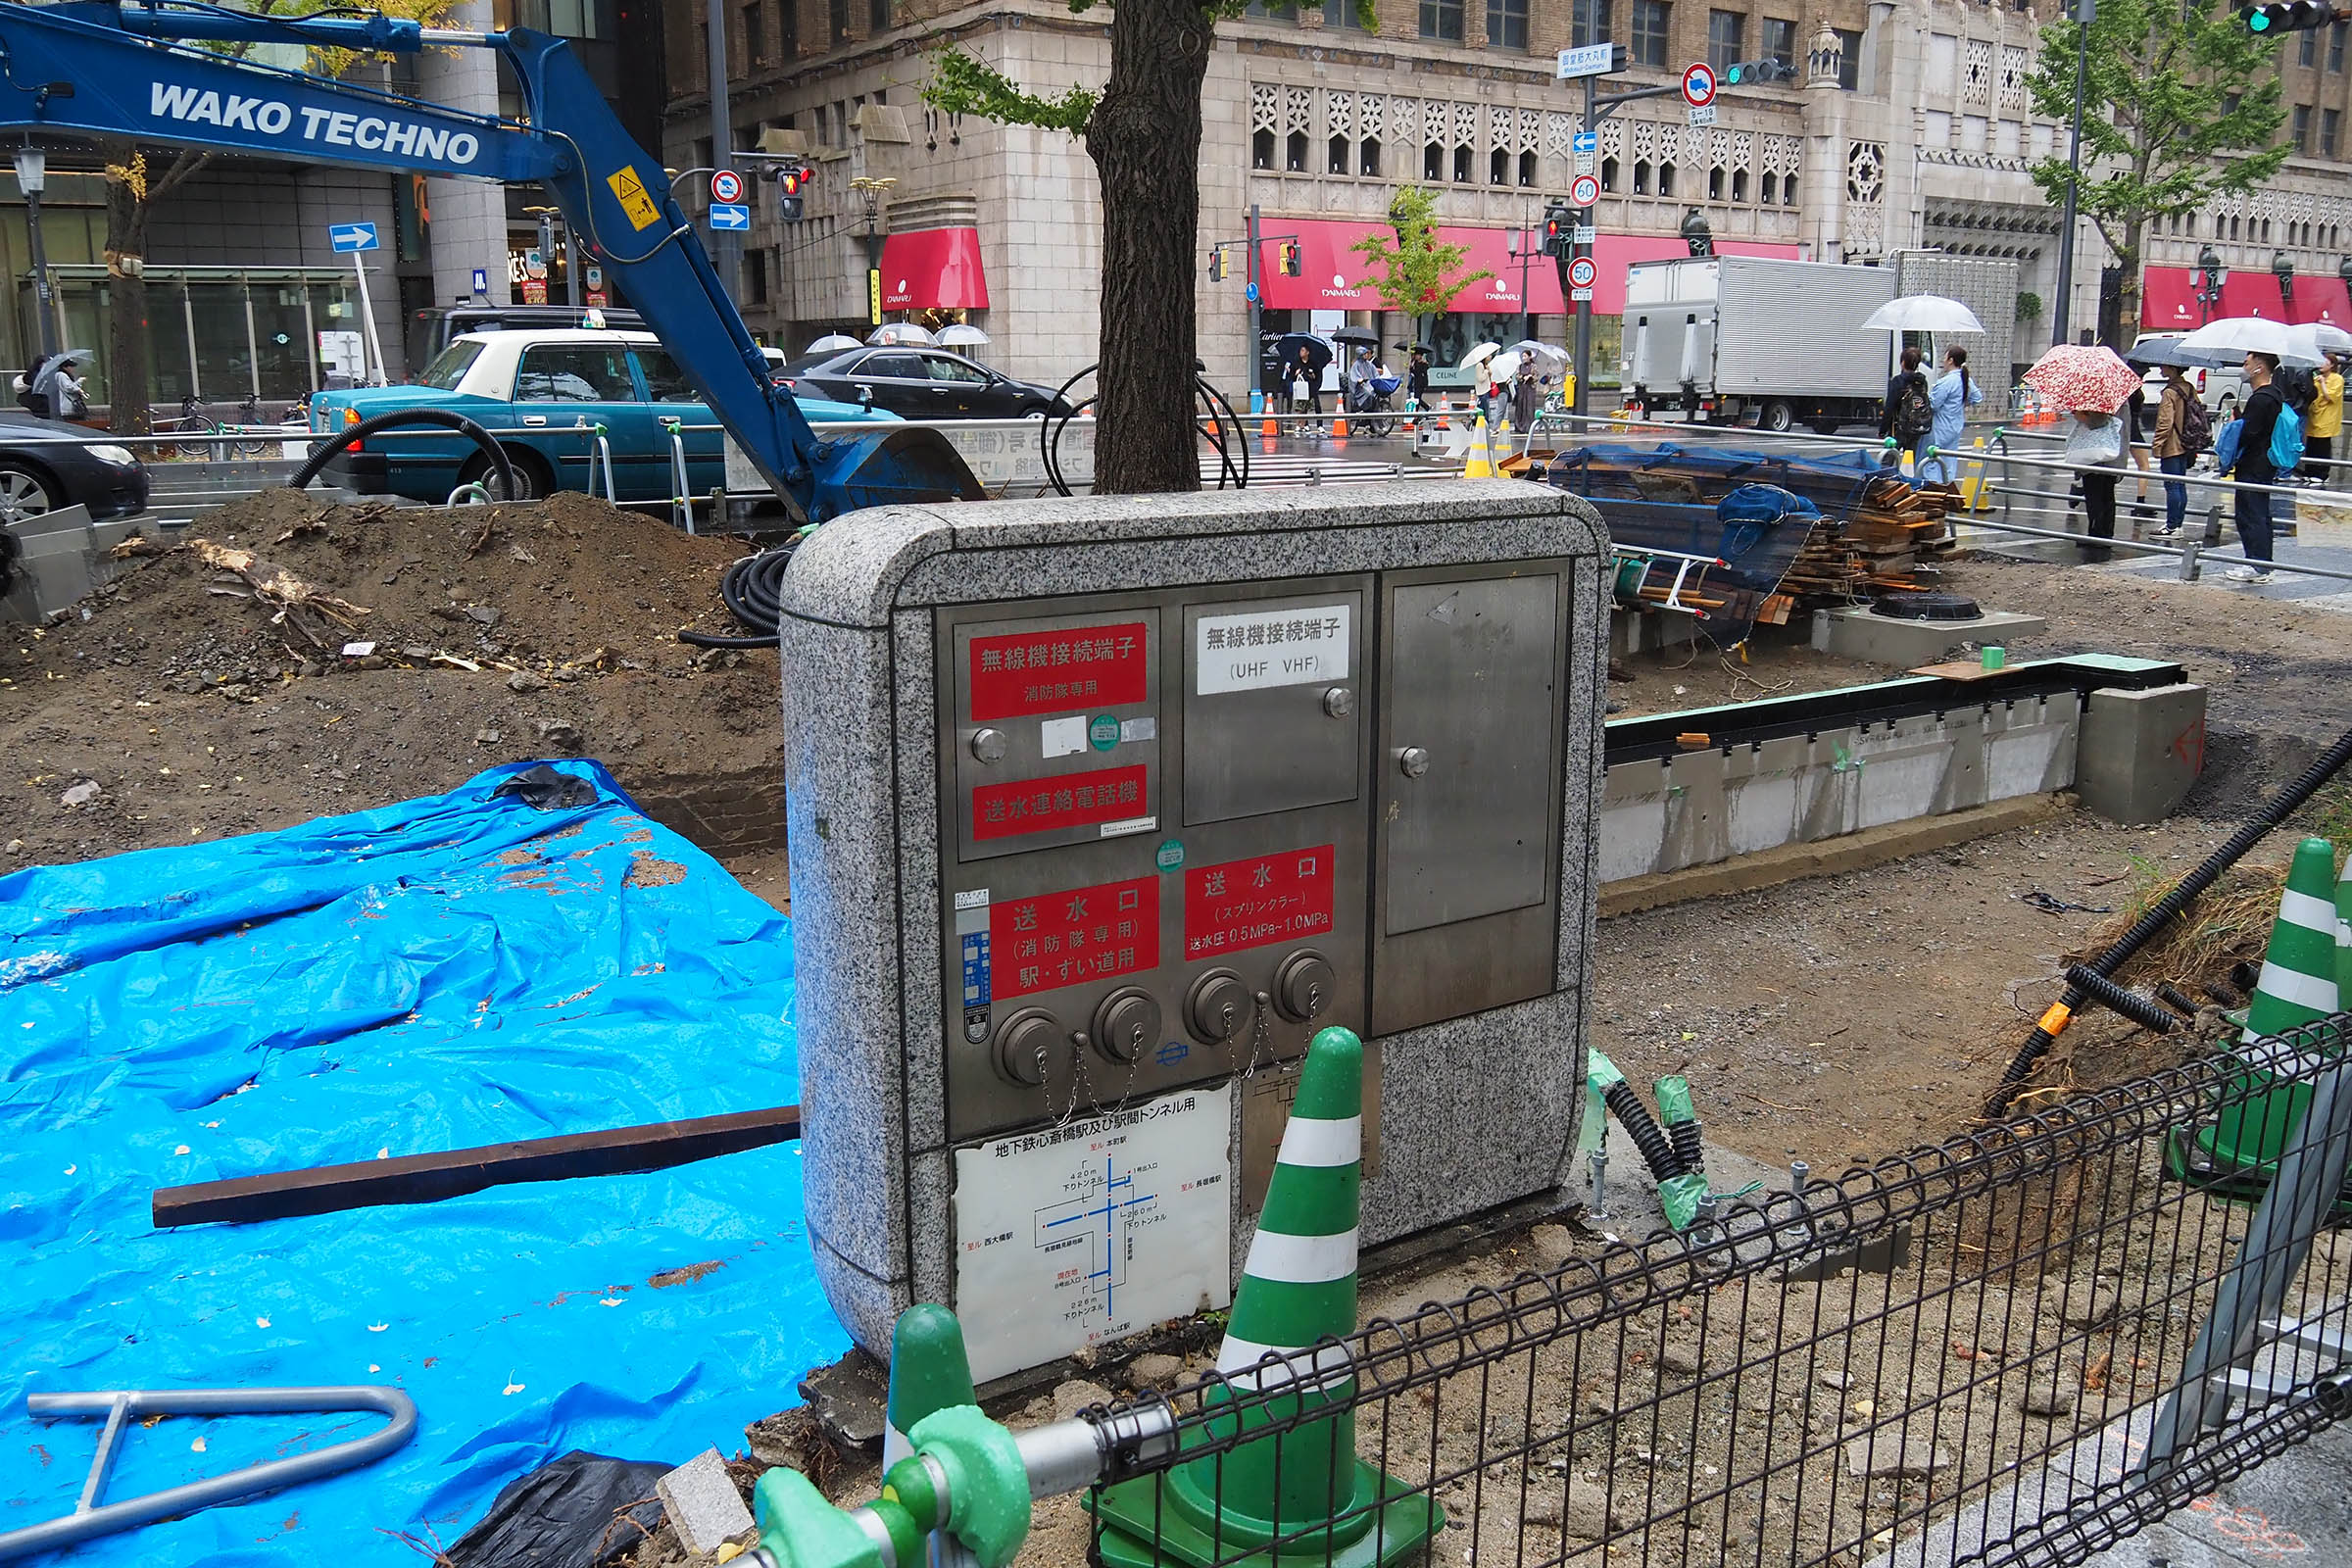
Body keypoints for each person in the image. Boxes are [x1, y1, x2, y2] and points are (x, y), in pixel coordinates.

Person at [2223, 349, 2284, 581]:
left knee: (2251, 513)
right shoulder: (2275, 394)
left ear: (2259, 366)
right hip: (2265, 462)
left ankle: (2257, 565)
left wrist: (2235, 424)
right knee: (2259, 512)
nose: (2244, 367)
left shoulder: (2261, 399)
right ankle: (2261, 563)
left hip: (2253, 463)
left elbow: (2249, 433)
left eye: (2247, 363)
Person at [2065, 403, 2128, 564]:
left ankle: (2098, 535)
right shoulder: (2115, 398)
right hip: (2108, 459)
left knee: (2096, 498)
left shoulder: (2099, 402)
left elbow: (2098, 422)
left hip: (2097, 460)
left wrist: (2082, 415)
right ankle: (2104, 534)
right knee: (2106, 497)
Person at [1920, 345, 1983, 483]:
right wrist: (1962, 403)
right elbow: (1977, 398)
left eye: (1945, 357)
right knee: (1948, 460)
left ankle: (1932, 488)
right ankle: (1946, 486)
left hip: (1939, 426)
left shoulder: (1946, 382)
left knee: (1930, 460)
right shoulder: (1966, 380)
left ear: (1951, 360)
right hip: (1955, 426)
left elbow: (1934, 405)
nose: (1943, 361)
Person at [2151, 363, 2198, 539]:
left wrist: (2157, 445)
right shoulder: (2189, 388)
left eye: (2163, 367)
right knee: (2180, 484)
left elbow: (2165, 422)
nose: (2160, 369)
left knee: (2171, 485)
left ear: (2172, 369)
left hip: (2172, 444)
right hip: (2187, 442)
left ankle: (2171, 526)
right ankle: (2178, 524)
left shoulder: (2170, 392)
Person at [1882, 345, 1931, 466]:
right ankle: (1909, 481)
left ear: (1902, 362)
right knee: (1910, 460)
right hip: (1916, 426)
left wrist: (1882, 430)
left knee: (1888, 458)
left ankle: (1884, 481)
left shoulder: (1898, 381)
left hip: (1899, 427)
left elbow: (1890, 406)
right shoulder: (1922, 381)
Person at [2308, 349, 2344, 466]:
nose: (2321, 365)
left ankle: (2322, 474)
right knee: (2311, 445)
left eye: (2325, 363)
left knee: (2322, 446)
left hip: (2327, 418)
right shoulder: (2316, 378)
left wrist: (2323, 383)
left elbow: (2330, 396)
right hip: (2314, 416)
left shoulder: (2337, 379)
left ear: (2332, 365)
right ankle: (2309, 472)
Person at [1288, 344, 1322, 435]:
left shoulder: (1313, 364)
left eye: (1303, 351)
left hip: (1311, 388)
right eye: (1300, 351)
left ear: (1308, 352)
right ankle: (1303, 425)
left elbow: (1318, 375)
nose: (1301, 352)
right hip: (1301, 388)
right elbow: (1291, 376)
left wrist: (1313, 376)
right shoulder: (1296, 363)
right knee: (1301, 407)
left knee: (1316, 406)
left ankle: (1319, 425)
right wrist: (1295, 373)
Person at [1406, 346, 1432, 412]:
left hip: (1421, 383)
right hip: (1415, 383)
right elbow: (1413, 372)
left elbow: (1418, 372)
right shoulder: (1415, 363)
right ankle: (1424, 408)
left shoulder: (1423, 364)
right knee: (1417, 398)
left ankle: (1424, 408)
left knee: (1417, 398)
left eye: (1417, 355)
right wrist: (1411, 365)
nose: (1416, 356)